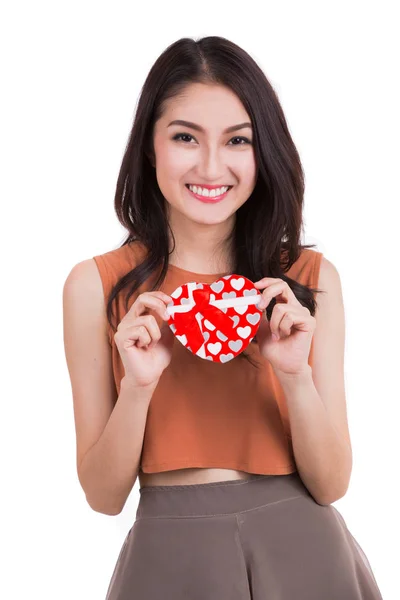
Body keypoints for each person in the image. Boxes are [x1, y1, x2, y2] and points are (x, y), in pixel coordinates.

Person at [63, 36, 383, 599]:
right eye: (185, 137)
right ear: (149, 148)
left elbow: (332, 482)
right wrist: (138, 387)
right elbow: (103, 496)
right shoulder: (97, 286)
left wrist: (294, 374)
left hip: (307, 557)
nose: (212, 165)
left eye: (238, 141)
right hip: (169, 562)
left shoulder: (309, 280)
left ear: (264, 153)